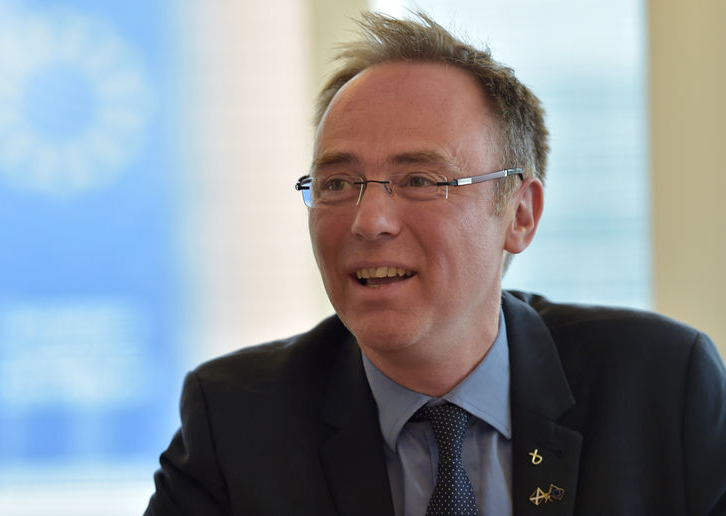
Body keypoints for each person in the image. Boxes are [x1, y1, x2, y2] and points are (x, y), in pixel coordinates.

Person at [144, 11, 726, 516]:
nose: (369, 221)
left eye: (420, 180)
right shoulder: (237, 418)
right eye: (338, 183)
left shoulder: (662, 385)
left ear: (520, 215)